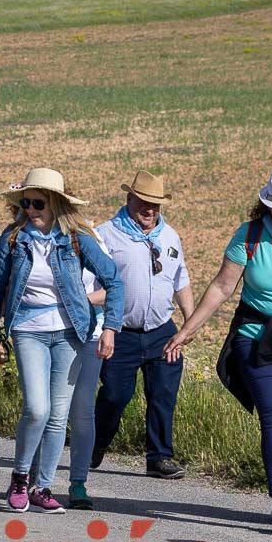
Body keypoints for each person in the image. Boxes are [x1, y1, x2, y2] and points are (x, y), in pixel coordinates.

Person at [165, 168, 272, 534]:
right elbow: (221, 287)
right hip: (257, 338)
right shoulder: (250, 236)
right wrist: (187, 329)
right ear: (266, 205)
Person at [0, 168, 123, 514]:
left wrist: (110, 328)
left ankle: (43, 487)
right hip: (28, 328)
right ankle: (19, 478)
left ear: (55, 203)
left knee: (59, 415)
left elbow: (114, 279)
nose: (31, 209)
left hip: (70, 333)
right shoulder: (13, 239)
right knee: (37, 408)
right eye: (26, 202)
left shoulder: (76, 239)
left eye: (38, 203)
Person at [92, 171, 195, 487]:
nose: (150, 211)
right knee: (114, 396)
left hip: (162, 331)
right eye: (144, 203)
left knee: (163, 393)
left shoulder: (169, 236)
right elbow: (92, 287)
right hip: (120, 332)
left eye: (156, 205)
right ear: (129, 199)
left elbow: (181, 280)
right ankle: (97, 443)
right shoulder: (105, 235)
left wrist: (190, 323)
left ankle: (158, 457)